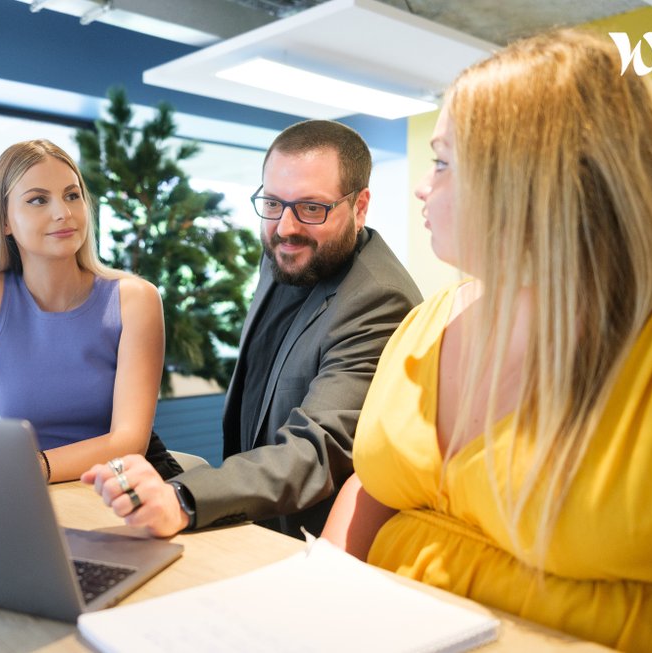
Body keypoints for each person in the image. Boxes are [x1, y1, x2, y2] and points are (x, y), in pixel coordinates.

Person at [321, 29, 652, 651]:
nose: (421, 185)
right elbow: (378, 485)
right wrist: (316, 601)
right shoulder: (427, 321)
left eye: (442, 162)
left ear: (532, 176)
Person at [83, 120, 422, 539]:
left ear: (360, 205)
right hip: (252, 524)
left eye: (312, 208)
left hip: (311, 547)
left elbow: (315, 449)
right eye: (274, 203)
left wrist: (185, 498)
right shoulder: (286, 256)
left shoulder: (378, 299)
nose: (285, 227)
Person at [0, 139, 170, 483]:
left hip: (125, 485)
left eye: (72, 196)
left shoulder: (135, 299)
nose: (63, 213)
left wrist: (26, 468)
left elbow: (128, 442)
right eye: (38, 200)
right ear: (4, 221)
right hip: (32, 488)